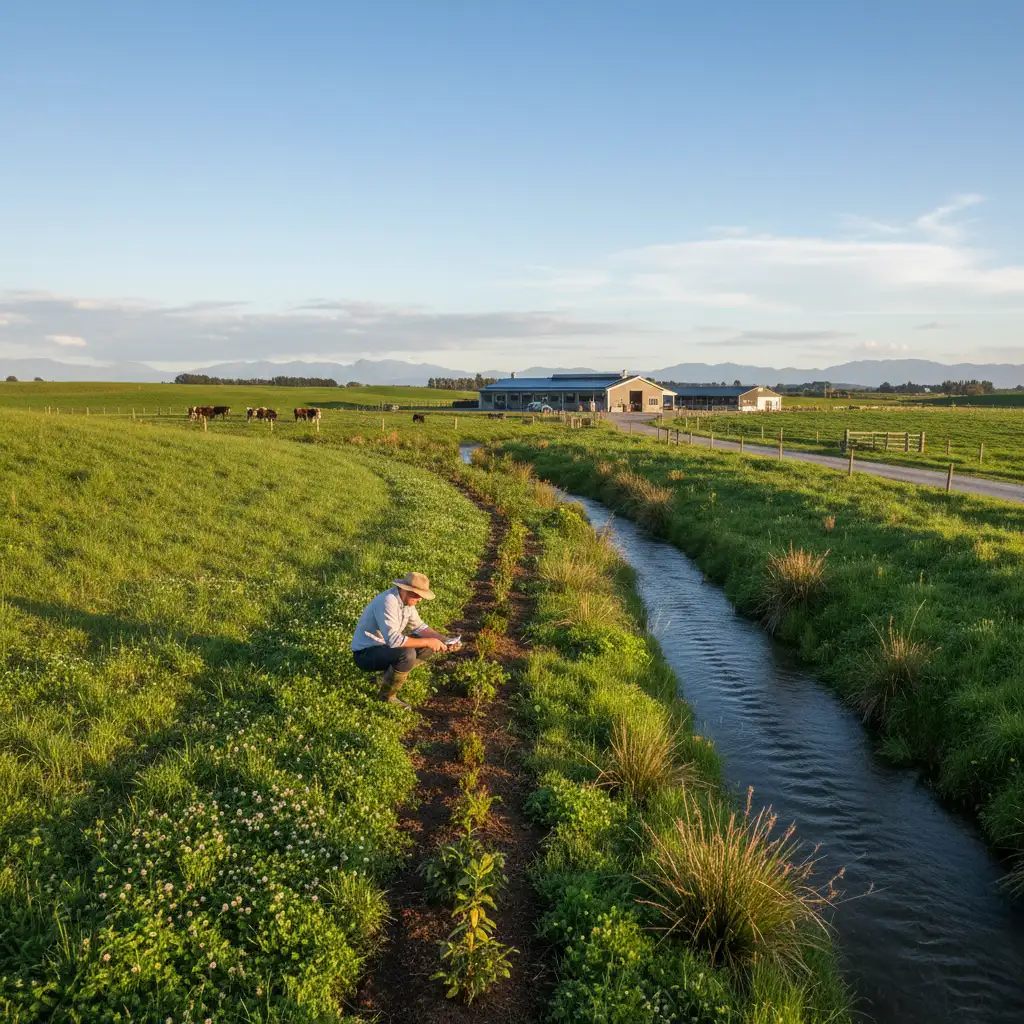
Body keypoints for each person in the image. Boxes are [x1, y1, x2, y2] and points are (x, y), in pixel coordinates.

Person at [351, 571, 459, 707]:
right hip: (366, 654)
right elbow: (394, 640)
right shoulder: (388, 601)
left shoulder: (406, 602)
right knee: (407, 654)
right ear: (406, 589)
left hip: (384, 648)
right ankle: (387, 697)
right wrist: (428, 641)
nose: (420, 600)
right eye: (418, 595)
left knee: (426, 647)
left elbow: (419, 627)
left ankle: (385, 678)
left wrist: (443, 640)